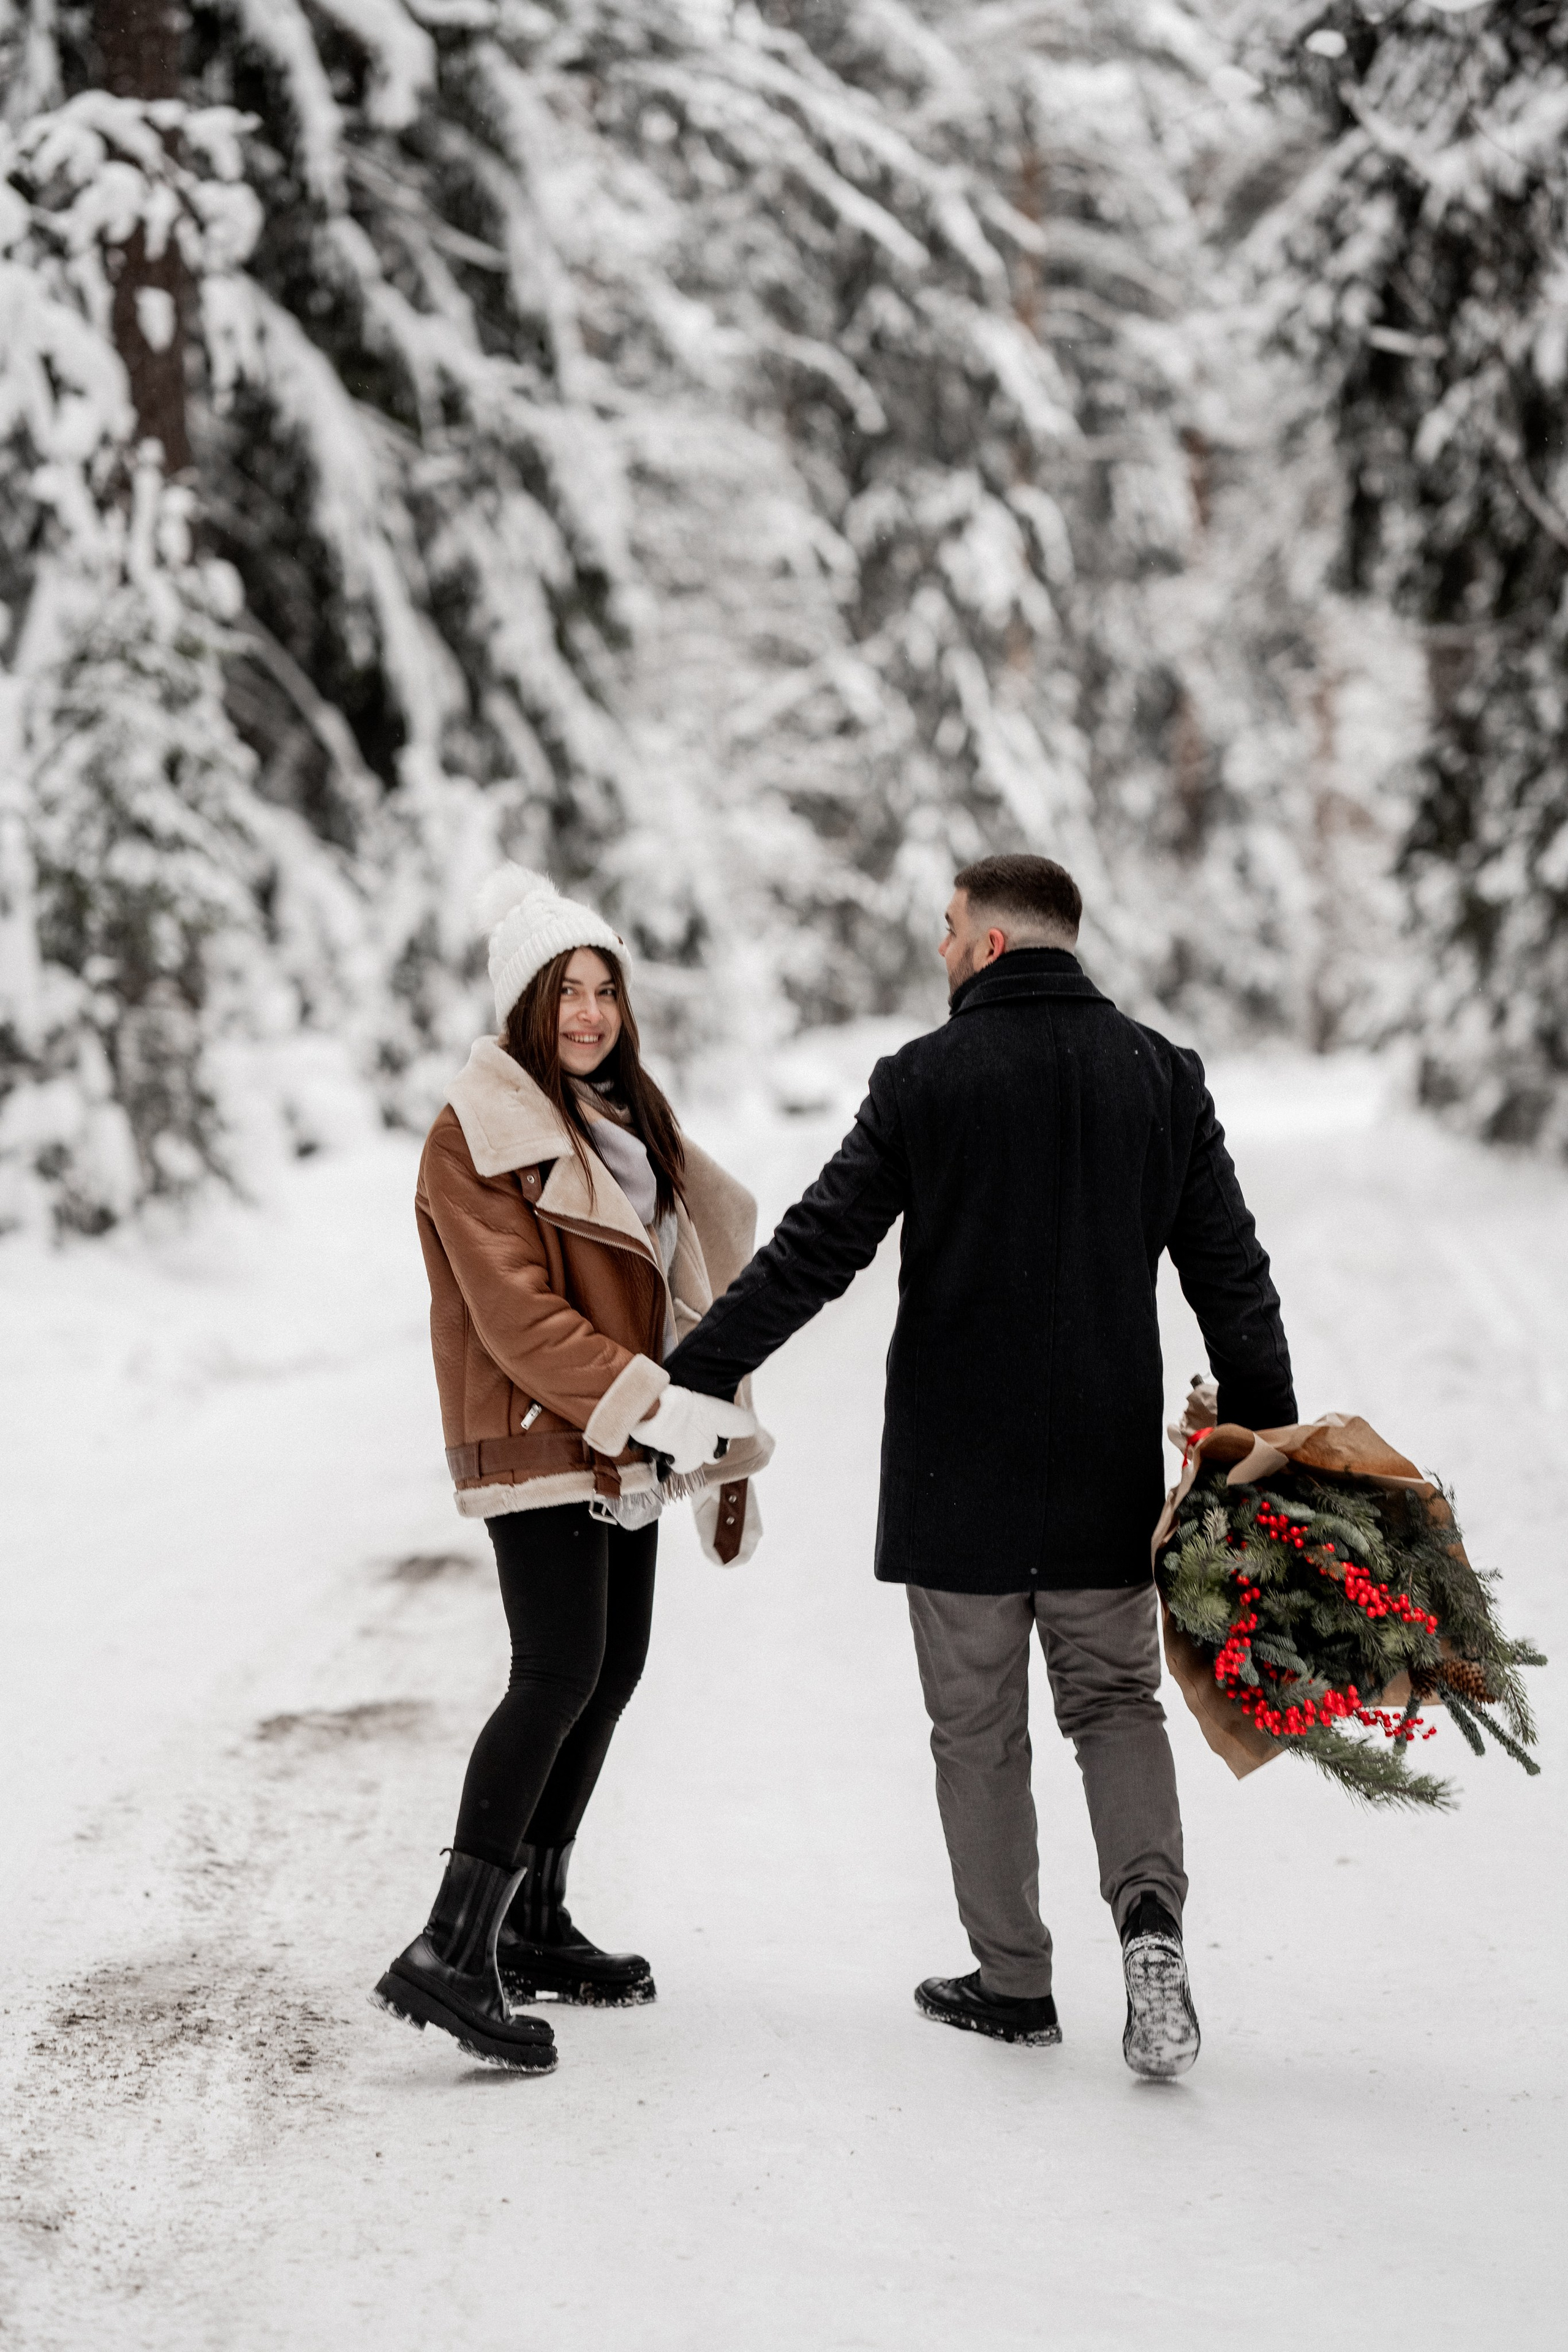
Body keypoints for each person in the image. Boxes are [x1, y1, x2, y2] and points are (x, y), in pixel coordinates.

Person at [663, 853, 1296, 2079]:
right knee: (1112, 1705)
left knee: (975, 1728)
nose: (940, 948)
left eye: (950, 930)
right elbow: (1230, 1271)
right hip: (1102, 1467)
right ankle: (1148, 1926)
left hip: (957, 1474)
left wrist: (692, 1370)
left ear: (996, 945)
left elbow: (814, 1251)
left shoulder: (924, 1079)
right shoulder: (1156, 1077)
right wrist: (1258, 1443)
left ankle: (1010, 1981)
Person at [374, 866, 768, 2072]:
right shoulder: (474, 1133)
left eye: (604, 988)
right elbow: (518, 1318)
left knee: (612, 1669)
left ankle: (535, 1920)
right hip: (546, 1427)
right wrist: (653, 1403)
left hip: (625, 1433)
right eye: (564, 991)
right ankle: (451, 1945)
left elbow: (685, 1268)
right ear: (521, 1006)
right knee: (555, 1672)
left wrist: (695, 1406)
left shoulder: (624, 1116)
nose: (588, 1012)